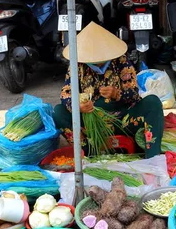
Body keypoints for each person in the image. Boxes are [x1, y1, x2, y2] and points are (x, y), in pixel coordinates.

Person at [52, 22, 164, 158]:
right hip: (90, 125)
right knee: (58, 112)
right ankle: (87, 151)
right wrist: (77, 106)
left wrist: (118, 94)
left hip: (123, 121)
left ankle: (152, 158)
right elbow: (66, 93)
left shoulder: (121, 61)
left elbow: (134, 93)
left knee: (153, 102)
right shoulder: (77, 65)